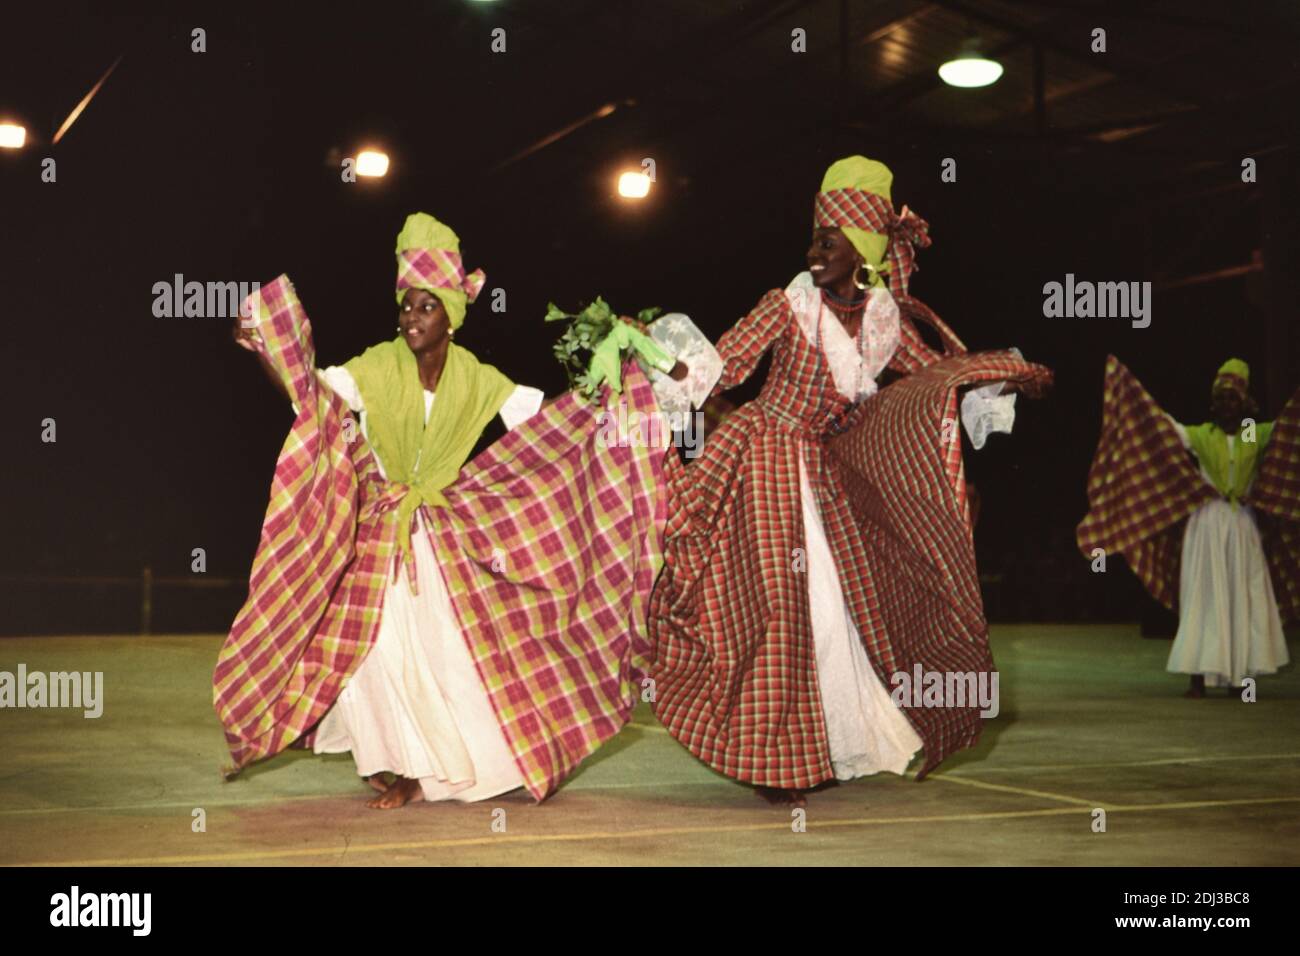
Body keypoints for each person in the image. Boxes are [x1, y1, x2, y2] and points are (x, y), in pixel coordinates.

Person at [215, 213, 675, 807]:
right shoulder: (377, 366)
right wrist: (264, 348)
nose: (411, 318)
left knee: (445, 651)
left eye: (426, 307)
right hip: (380, 535)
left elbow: (551, 422)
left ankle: (468, 761)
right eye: (406, 306)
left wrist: (614, 377)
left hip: (443, 537)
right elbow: (314, 398)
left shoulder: (478, 378)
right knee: (376, 652)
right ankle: (397, 766)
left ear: (451, 316)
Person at [649, 156, 1052, 806]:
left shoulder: (885, 319)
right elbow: (721, 368)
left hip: (822, 473)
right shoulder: (788, 305)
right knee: (776, 608)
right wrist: (653, 361)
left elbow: (932, 375)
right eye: (813, 236)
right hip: (762, 462)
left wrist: (1003, 375)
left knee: (830, 615)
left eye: (828, 240)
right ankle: (771, 754)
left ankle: (824, 743)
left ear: (862, 247)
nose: (813, 251)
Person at [1079, 357, 1298, 697]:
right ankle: (1198, 676)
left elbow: (1287, 427)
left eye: (1233, 398)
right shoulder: (1200, 435)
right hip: (1207, 523)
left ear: (1244, 403)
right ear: (1213, 403)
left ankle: (1239, 678)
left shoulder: (1253, 434)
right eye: (1221, 398)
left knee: (1241, 599)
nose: (1227, 404)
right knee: (1203, 597)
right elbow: (1161, 425)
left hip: (1242, 526)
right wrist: (1129, 392)